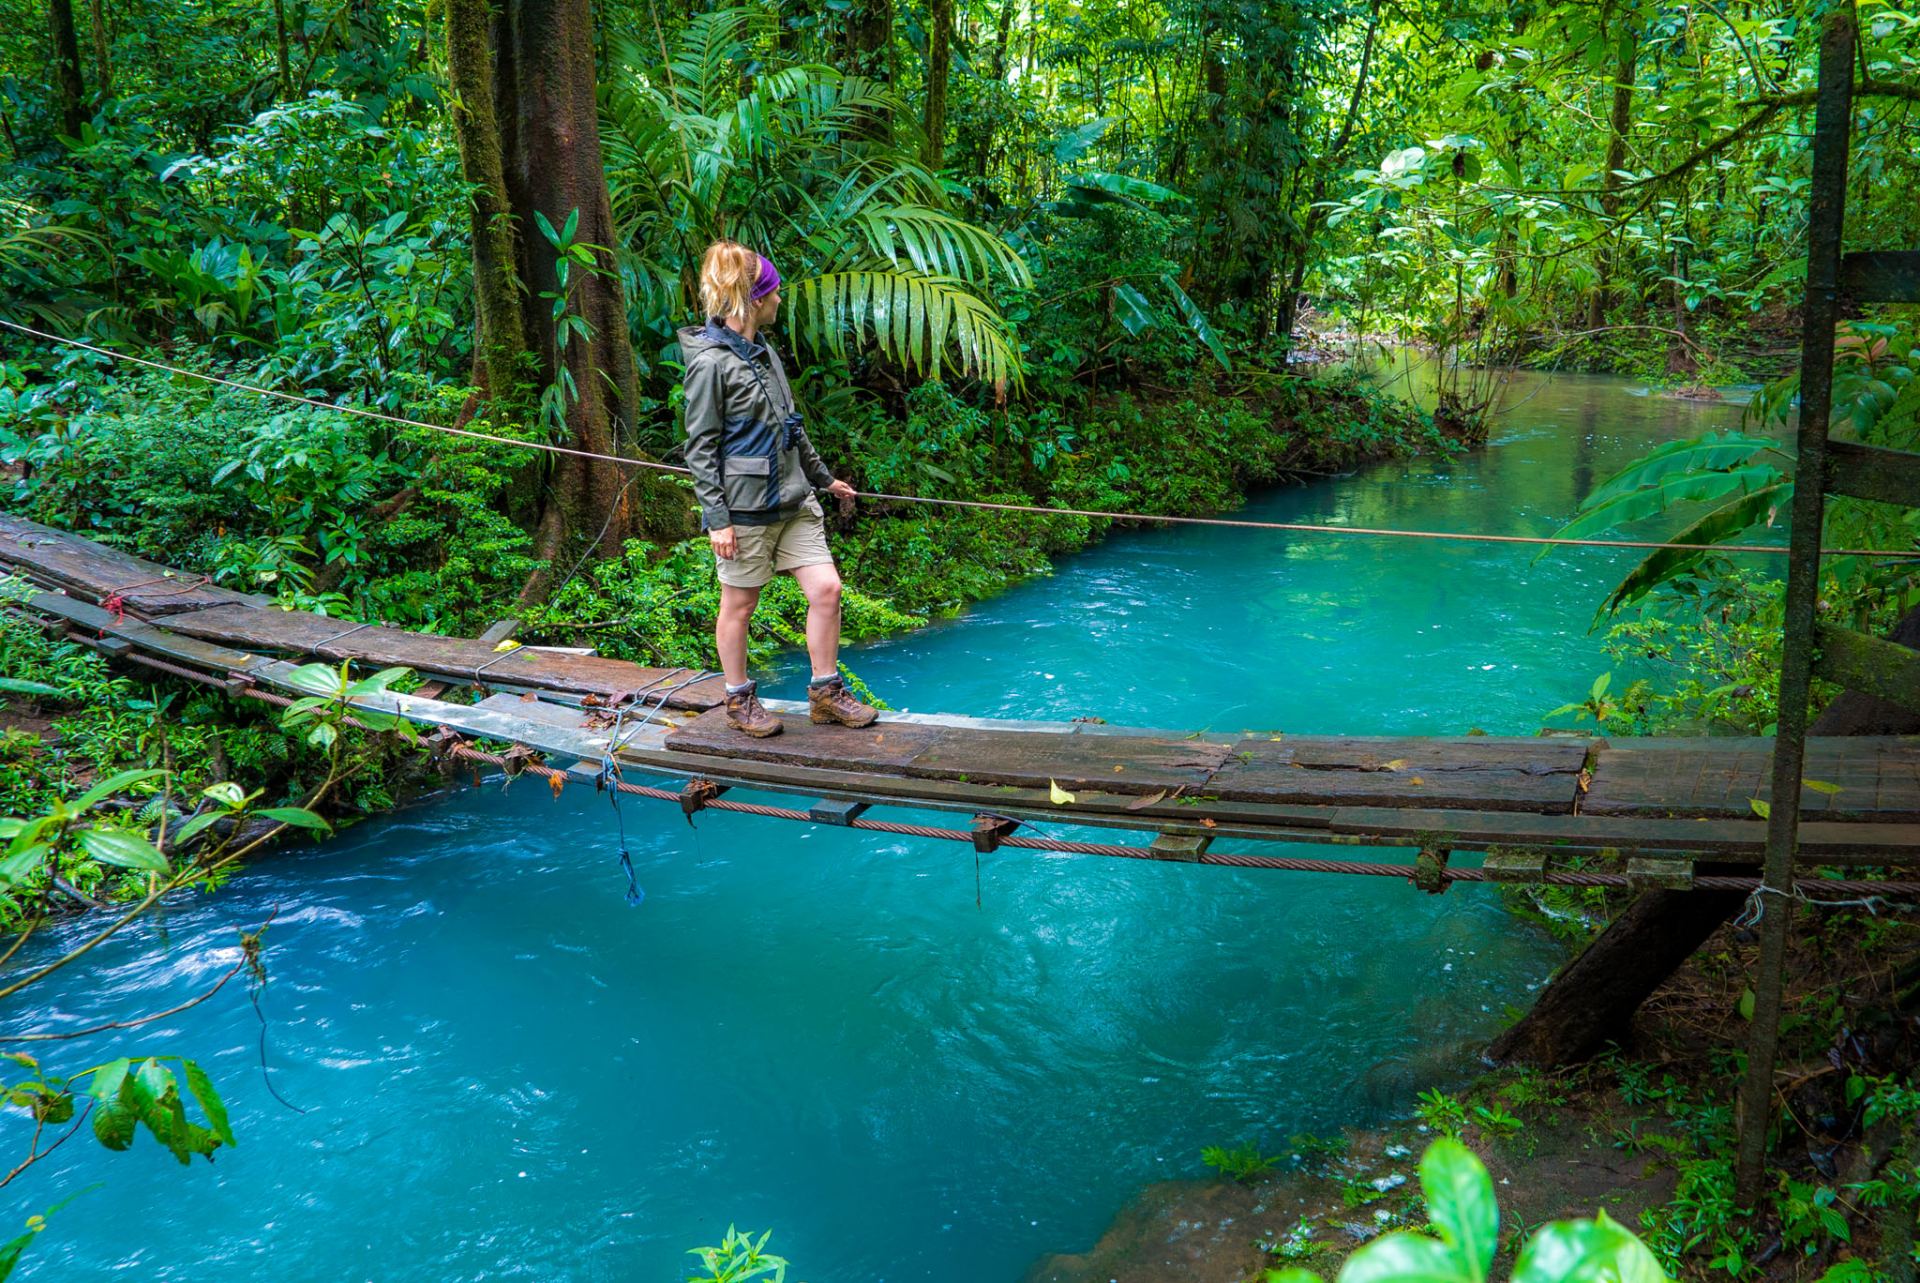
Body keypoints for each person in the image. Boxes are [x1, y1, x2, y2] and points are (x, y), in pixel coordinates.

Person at [679, 240, 879, 738]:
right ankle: (738, 699)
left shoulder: (765, 353)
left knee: (827, 589)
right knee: (740, 606)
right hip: (745, 512)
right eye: (774, 293)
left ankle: (825, 694)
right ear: (755, 299)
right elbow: (699, 447)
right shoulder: (710, 364)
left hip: (793, 500)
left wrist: (823, 478)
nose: (780, 300)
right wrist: (717, 518)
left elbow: (792, 426)